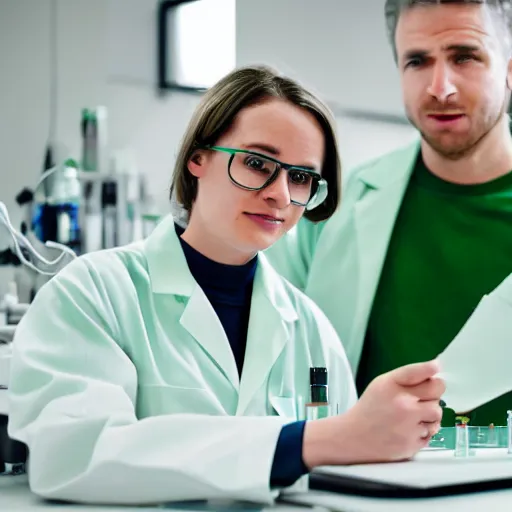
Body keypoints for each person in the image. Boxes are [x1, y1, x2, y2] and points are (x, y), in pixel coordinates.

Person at [7, 66, 444, 506]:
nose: (280, 194)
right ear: (198, 158)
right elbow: (73, 456)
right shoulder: (92, 295)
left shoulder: (309, 328)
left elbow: (344, 473)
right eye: (257, 164)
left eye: (300, 178)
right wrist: (306, 442)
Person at [265, 0, 512, 427]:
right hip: (369, 487)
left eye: (464, 57)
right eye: (417, 61)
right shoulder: (329, 209)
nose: (440, 88)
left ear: (508, 69)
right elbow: (273, 364)